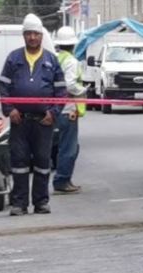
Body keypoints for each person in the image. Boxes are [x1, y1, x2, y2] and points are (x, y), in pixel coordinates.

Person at [0, 13, 65, 215]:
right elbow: (4, 87)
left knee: (43, 162)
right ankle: (19, 203)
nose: (33, 38)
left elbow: (61, 92)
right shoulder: (13, 58)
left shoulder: (51, 60)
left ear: (41, 36)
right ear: (24, 36)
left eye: (36, 34)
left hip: (43, 122)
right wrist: (10, 110)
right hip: (20, 121)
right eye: (29, 34)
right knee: (18, 162)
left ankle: (41, 202)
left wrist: (53, 113)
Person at [52, 26, 84, 195]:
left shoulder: (54, 58)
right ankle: (62, 180)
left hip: (55, 108)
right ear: (73, 45)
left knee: (65, 146)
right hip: (68, 109)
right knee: (69, 148)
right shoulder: (71, 61)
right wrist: (83, 90)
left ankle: (63, 178)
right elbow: (70, 85)